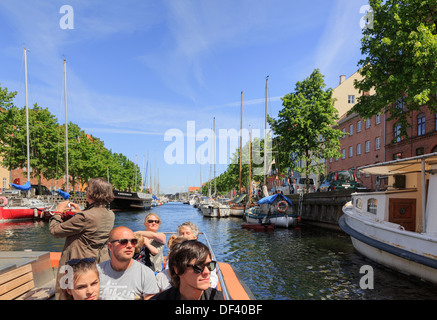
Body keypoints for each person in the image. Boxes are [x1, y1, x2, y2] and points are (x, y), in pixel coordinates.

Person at [49, 177, 115, 300]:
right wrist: (80, 212)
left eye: (87, 190)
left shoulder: (84, 217)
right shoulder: (110, 214)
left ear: (92, 193)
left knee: (68, 293)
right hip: (98, 262)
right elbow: (92, 224)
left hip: (77, 263)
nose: (85, 192)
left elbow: (54, 231)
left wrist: (58, 212)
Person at [97, 226, 159, 300]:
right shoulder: (96, 272)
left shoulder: (146, 274)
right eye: (123, 242)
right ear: (110, 246)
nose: (130, 246)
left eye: (133, 242)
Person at [151, 240, 224, 300]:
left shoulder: (219, 298)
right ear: (178, 270)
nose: (207, 272)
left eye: (210, 265)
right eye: (198, 267)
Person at [176, 221, 218, 288]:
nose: (184, 236)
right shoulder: (175, 252)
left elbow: (213, 275)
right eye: (182, 233)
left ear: (195, 236)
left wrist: (209, 285)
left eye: (188, 233)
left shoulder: (205, 252)